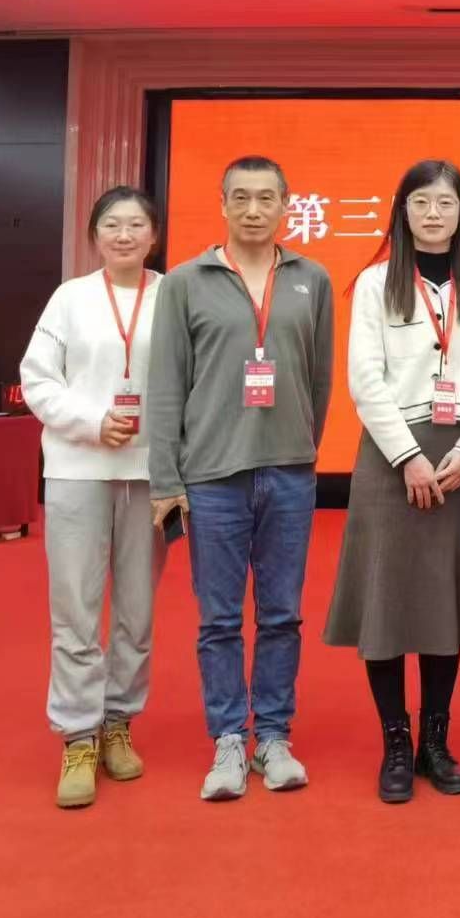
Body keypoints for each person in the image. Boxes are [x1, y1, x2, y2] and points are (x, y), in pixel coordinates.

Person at [147, 155, 334, 802]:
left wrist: (301, 446)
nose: (254, 210)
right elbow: (166, 386)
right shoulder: (184, 282)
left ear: (286, 206)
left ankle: (273, 737)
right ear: (223, 204)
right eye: (242, 198)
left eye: (266, 198)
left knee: (282, 615)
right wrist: (166, 480)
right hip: (212, 477)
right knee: (220, 620)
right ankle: (228, 738)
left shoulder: (312, 279)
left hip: (289, 474)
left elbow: (319, 380)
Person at [324, 160, 460, 804]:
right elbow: (364, 379)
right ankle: (395, 740)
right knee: (388, 597)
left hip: (459, 456)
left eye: (446, 203)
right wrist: (408, 456)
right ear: (402, 211)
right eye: (421, 202)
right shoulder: (376, 282)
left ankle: (435, 737)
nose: (433, 214)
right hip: (391, 454)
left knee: (441, 599)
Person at [21, 186, 167, 810]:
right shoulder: (70, 298)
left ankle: (118, 722)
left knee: (137, 610)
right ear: (94, 235)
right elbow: (37, 379)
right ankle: (78, 736)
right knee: (76, 608)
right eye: (112, 224)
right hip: (79, 467)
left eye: (136, 224)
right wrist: (91, 421)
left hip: (149, 473)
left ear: (154, 235)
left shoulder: (173, 295)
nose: (124, 235)